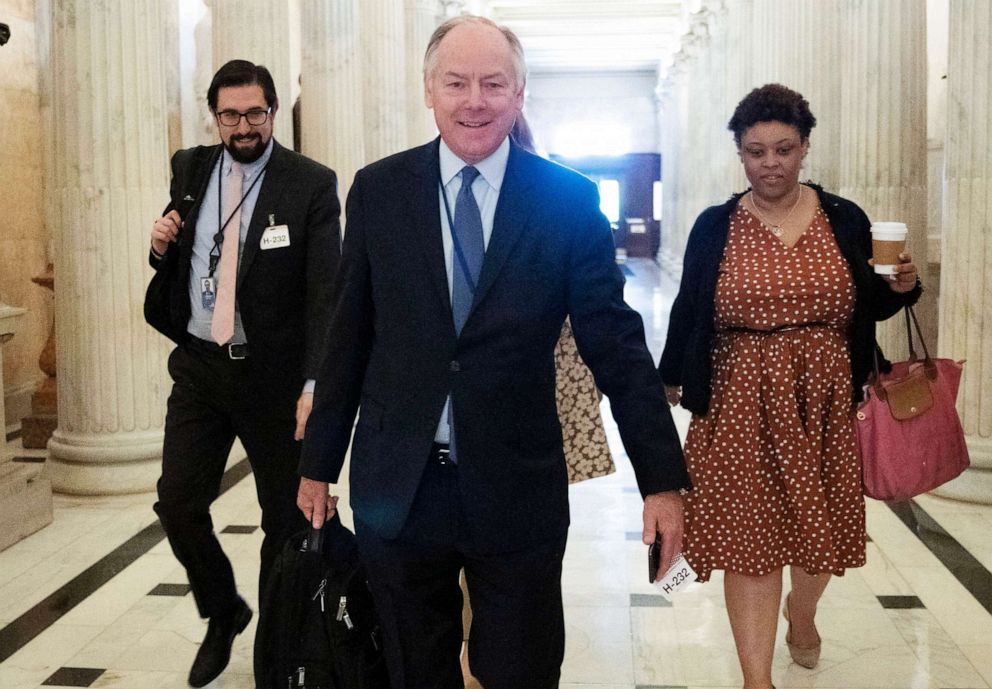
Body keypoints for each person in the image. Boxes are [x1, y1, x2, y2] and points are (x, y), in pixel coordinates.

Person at [297, 15, 689, 689]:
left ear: (519, 93)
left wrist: (660, 478)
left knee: (521, 669)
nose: (473, 100)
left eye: (492, 83)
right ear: (429, 90)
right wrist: (317, 466)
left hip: (517, 486)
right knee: (413, 670)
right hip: (400, 487)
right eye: (456, 82)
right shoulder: (378, 191)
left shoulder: (566, 201)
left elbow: (617, 346)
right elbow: (348, 338)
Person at [659, 83, 922, 689]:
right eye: (756, 151)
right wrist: (669, 380)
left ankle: (800, 613)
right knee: (750, 539)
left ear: (804, 149)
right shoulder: (715, 226)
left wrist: (904, 286)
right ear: (741, 155)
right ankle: (758, 680)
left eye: (783, 149)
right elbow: (690, 307)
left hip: (825, 398)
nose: (770, 163)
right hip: (737, 399)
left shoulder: (845, 219)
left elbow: (872, 304)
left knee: (817, 532)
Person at [146, 59, 340, 688]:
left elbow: (324, 295)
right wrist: (158, 245)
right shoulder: (191, 167)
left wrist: (315, 385)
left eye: (255, 113)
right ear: (215, 117)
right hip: (202, 367)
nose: (243, 126)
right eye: (230, 115)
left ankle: (274, 660)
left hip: (273, 380)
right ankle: (223, 608)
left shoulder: (309, 183)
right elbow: (181, 254)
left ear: (274, 112)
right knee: (177, 502)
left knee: (282, 524)